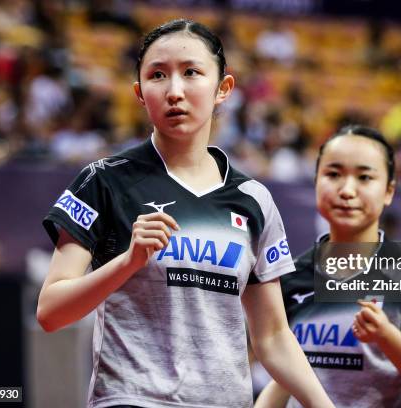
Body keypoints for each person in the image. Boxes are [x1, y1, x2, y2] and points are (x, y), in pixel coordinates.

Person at [36, 19, 333, 408]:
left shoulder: (252, 199)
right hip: (132, 399)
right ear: (141, 94)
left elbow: (274, 337)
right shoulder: (103, 182)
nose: (174, 91)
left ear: (223, 88)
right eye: (158, 76)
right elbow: (50, 312)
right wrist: (128, 261)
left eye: (191, 72)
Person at [255, 125, 401, 407]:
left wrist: (388, 337)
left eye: (365, 177)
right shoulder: (291, 275)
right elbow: (287, 378)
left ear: (389, 191)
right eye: (333, 174)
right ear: (316, 181)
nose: (347, 190)